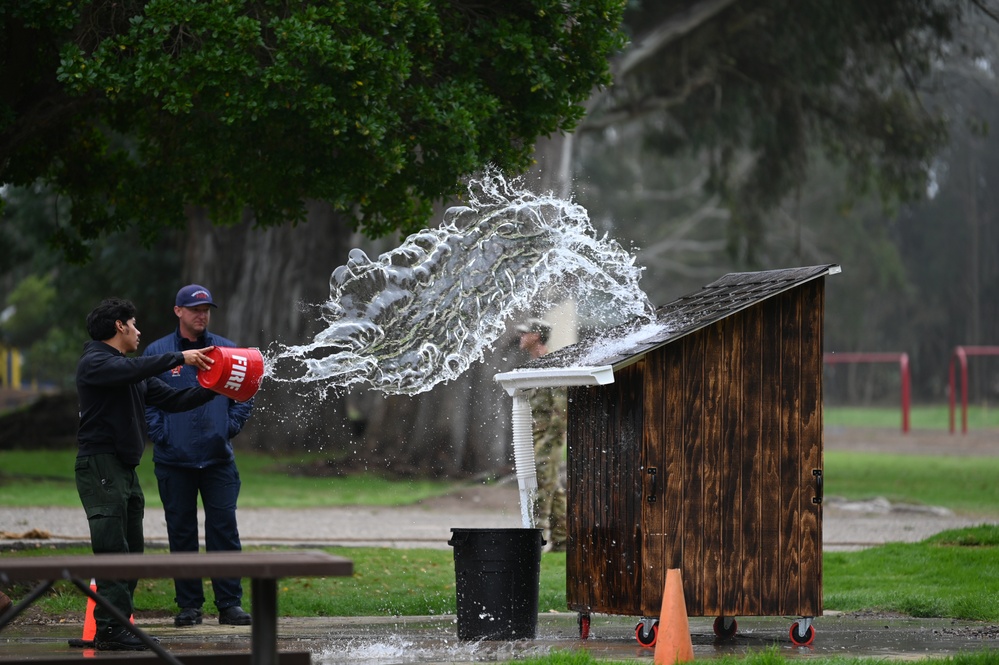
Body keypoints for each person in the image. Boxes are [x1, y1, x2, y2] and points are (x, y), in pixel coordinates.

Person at [76, 297, 217, 651]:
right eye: (134, 325)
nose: (139, 332)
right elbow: (133, 370)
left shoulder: (129, 371)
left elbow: (174, 400)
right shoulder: (94, 362)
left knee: (132, 550)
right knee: (112, 549)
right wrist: (178, 357)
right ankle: (110, 630)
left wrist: (216, 386)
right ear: (119, 326)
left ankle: (116, 626)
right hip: (101, 465)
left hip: (124, 468)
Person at [143, 285, 254, 628]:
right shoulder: (158, 352)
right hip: (174, 461)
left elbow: (246, 390)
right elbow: (146, 399)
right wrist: (162, 435)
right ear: (178, 311)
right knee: (182, 533)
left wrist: (228, 426)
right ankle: (189, 606)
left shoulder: (228, 349)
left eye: (206, 309)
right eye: (194, 309)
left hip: (218, 458)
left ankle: (229, 604)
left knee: (224, 531)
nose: (201, 314)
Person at [516, 318, 568, 552]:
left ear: (536, 336)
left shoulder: (552, 364)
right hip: (537, 437)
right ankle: (563, 539)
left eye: (525, 333)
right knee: (553, 487)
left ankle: (535, 537)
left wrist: (547, 443)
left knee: (541, 486)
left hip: (550, 437)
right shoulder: (534, 365)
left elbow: (561, 410)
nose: (521, 337)